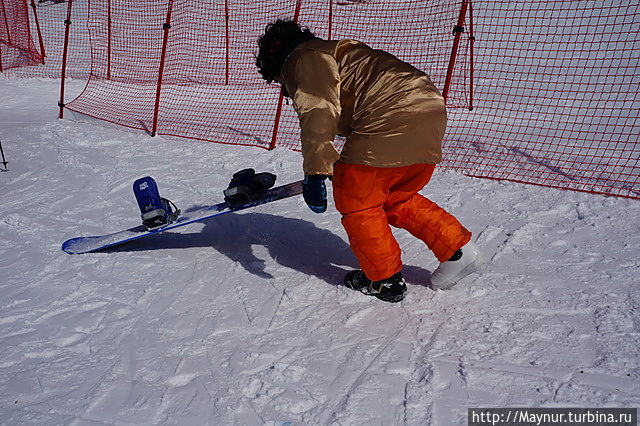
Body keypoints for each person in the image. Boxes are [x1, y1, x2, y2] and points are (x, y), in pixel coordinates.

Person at [256, 20, 484, 303]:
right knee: (394, 196)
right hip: (430, 110)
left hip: (389, 116)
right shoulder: (334, 52)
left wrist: (315, 170)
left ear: (276, 60)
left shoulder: (302, 58)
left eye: (279, 82)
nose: (285, 90)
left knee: (357, 201)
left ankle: (384, 280)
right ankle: (457, 251)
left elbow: (319, 108)